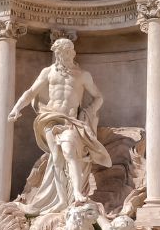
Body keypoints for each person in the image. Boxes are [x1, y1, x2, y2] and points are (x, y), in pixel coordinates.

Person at [9, 38, 111, 215]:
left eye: (64, 53)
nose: (60, 57)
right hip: (50, 118)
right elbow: (31, 92)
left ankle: (77, 193)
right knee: (56, 159)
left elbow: (98, 97)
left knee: (70, 153)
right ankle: (62, 200)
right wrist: (16, 108)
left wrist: (87, 113)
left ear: (72, 53)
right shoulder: (48, 72)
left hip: (70, 121)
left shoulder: (82, 75)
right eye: (58, 53)